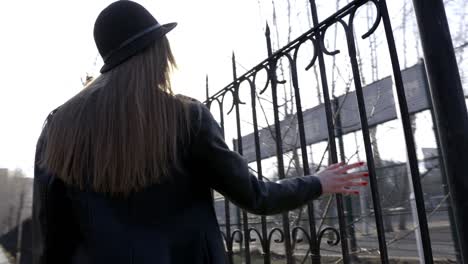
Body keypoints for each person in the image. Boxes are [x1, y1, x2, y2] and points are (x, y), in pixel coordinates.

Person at [32, 1, 368, 263]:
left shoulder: (59, 126)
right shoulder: (185, 118)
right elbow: (255, 195)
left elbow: (51, 232)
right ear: (158, 53)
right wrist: (318, 182)